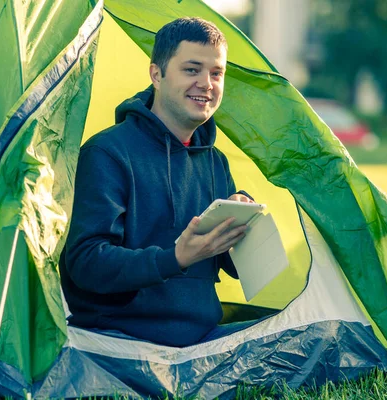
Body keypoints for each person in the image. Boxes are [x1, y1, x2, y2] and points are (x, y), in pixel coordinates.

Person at [59, 17, 254, 347]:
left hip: (202, 341)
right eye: (192, 70)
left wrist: (243, 229)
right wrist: (175, 258)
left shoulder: (215, 161)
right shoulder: (107, 153)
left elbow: (229, 264)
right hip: (122, 341)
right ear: (157, 75)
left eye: (216, 72)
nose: (207, 83)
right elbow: (86, 262)